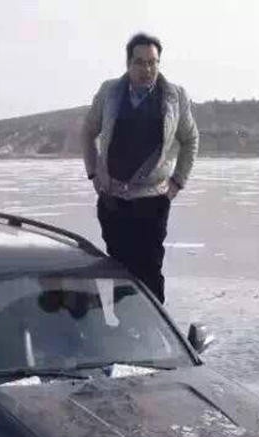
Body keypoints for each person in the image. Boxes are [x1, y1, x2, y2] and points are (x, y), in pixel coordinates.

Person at [81, 32, 199, 303]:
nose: (147, 69)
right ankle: (118, 329)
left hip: (152, 200)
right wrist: (93, 172)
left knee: (149, 270)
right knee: (118, 269)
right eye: (140, 62)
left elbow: (191, 140)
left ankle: (152, 334)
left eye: (152, 62)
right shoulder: (110, 92)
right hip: (112, 199)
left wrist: (177, 182)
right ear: (128, 64)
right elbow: (87, 132)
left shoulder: (174, 97)